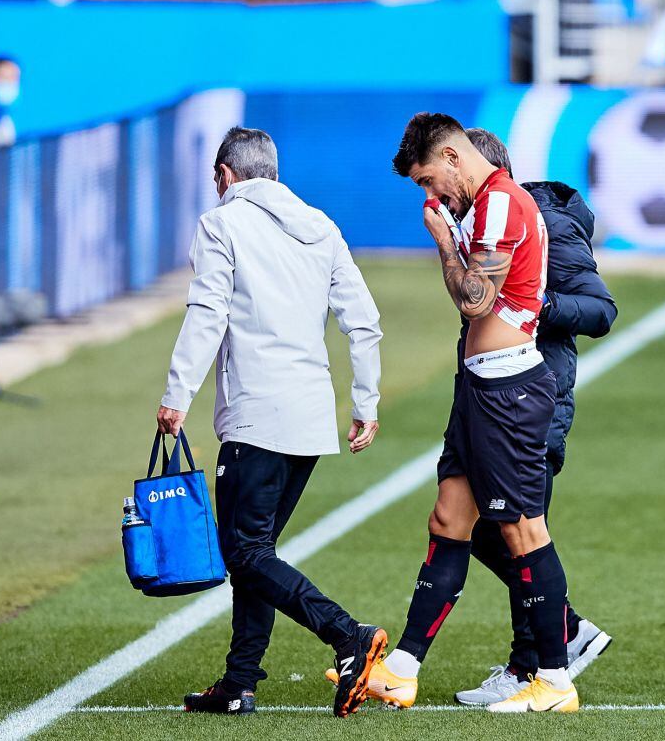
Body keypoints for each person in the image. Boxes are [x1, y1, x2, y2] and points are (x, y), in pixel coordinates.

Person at [156, 127, 386, 718]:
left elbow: (207, 312)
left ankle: (347, 635)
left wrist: (177, 393)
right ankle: (239, 683)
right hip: (310, 416)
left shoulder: (221, 224)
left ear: (226, 175)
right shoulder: (321, 226)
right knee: (254, 551)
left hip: (256, 412)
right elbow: (362, 320)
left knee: (246, 551)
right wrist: (365, 400)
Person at [365, 112, 581, 713]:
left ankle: (555, 681)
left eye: (430, 180)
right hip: (481, 387)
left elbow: (476, 297)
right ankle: (402, 669)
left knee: (522, 530)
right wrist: (450, 240)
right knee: (448, 519)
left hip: (509, 390)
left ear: (454, 157)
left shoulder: (501, 204)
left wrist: (441, 240)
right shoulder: (482, 206)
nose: (432, 195)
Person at [453, 128, 617, 705]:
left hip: (533, 400)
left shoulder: (543, 223)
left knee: (515, 532)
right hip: (491, 402)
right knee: (479, 528)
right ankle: (561, 635)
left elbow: (600, 310)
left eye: (448, 185)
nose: (444, 197)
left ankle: (535, 666)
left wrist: (531, 303)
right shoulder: (482, 226)